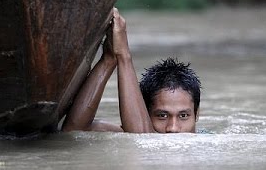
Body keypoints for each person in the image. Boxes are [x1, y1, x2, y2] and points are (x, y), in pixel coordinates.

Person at [62, 7, 201, 134]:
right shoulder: (131, 131)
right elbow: (75, 130)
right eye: (162, 116)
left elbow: (141, 138)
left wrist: (124, 55)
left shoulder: (206, 146)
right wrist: (108, 60)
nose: (173, 128)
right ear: (144, 113)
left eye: (183, 116)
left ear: (196, 115)